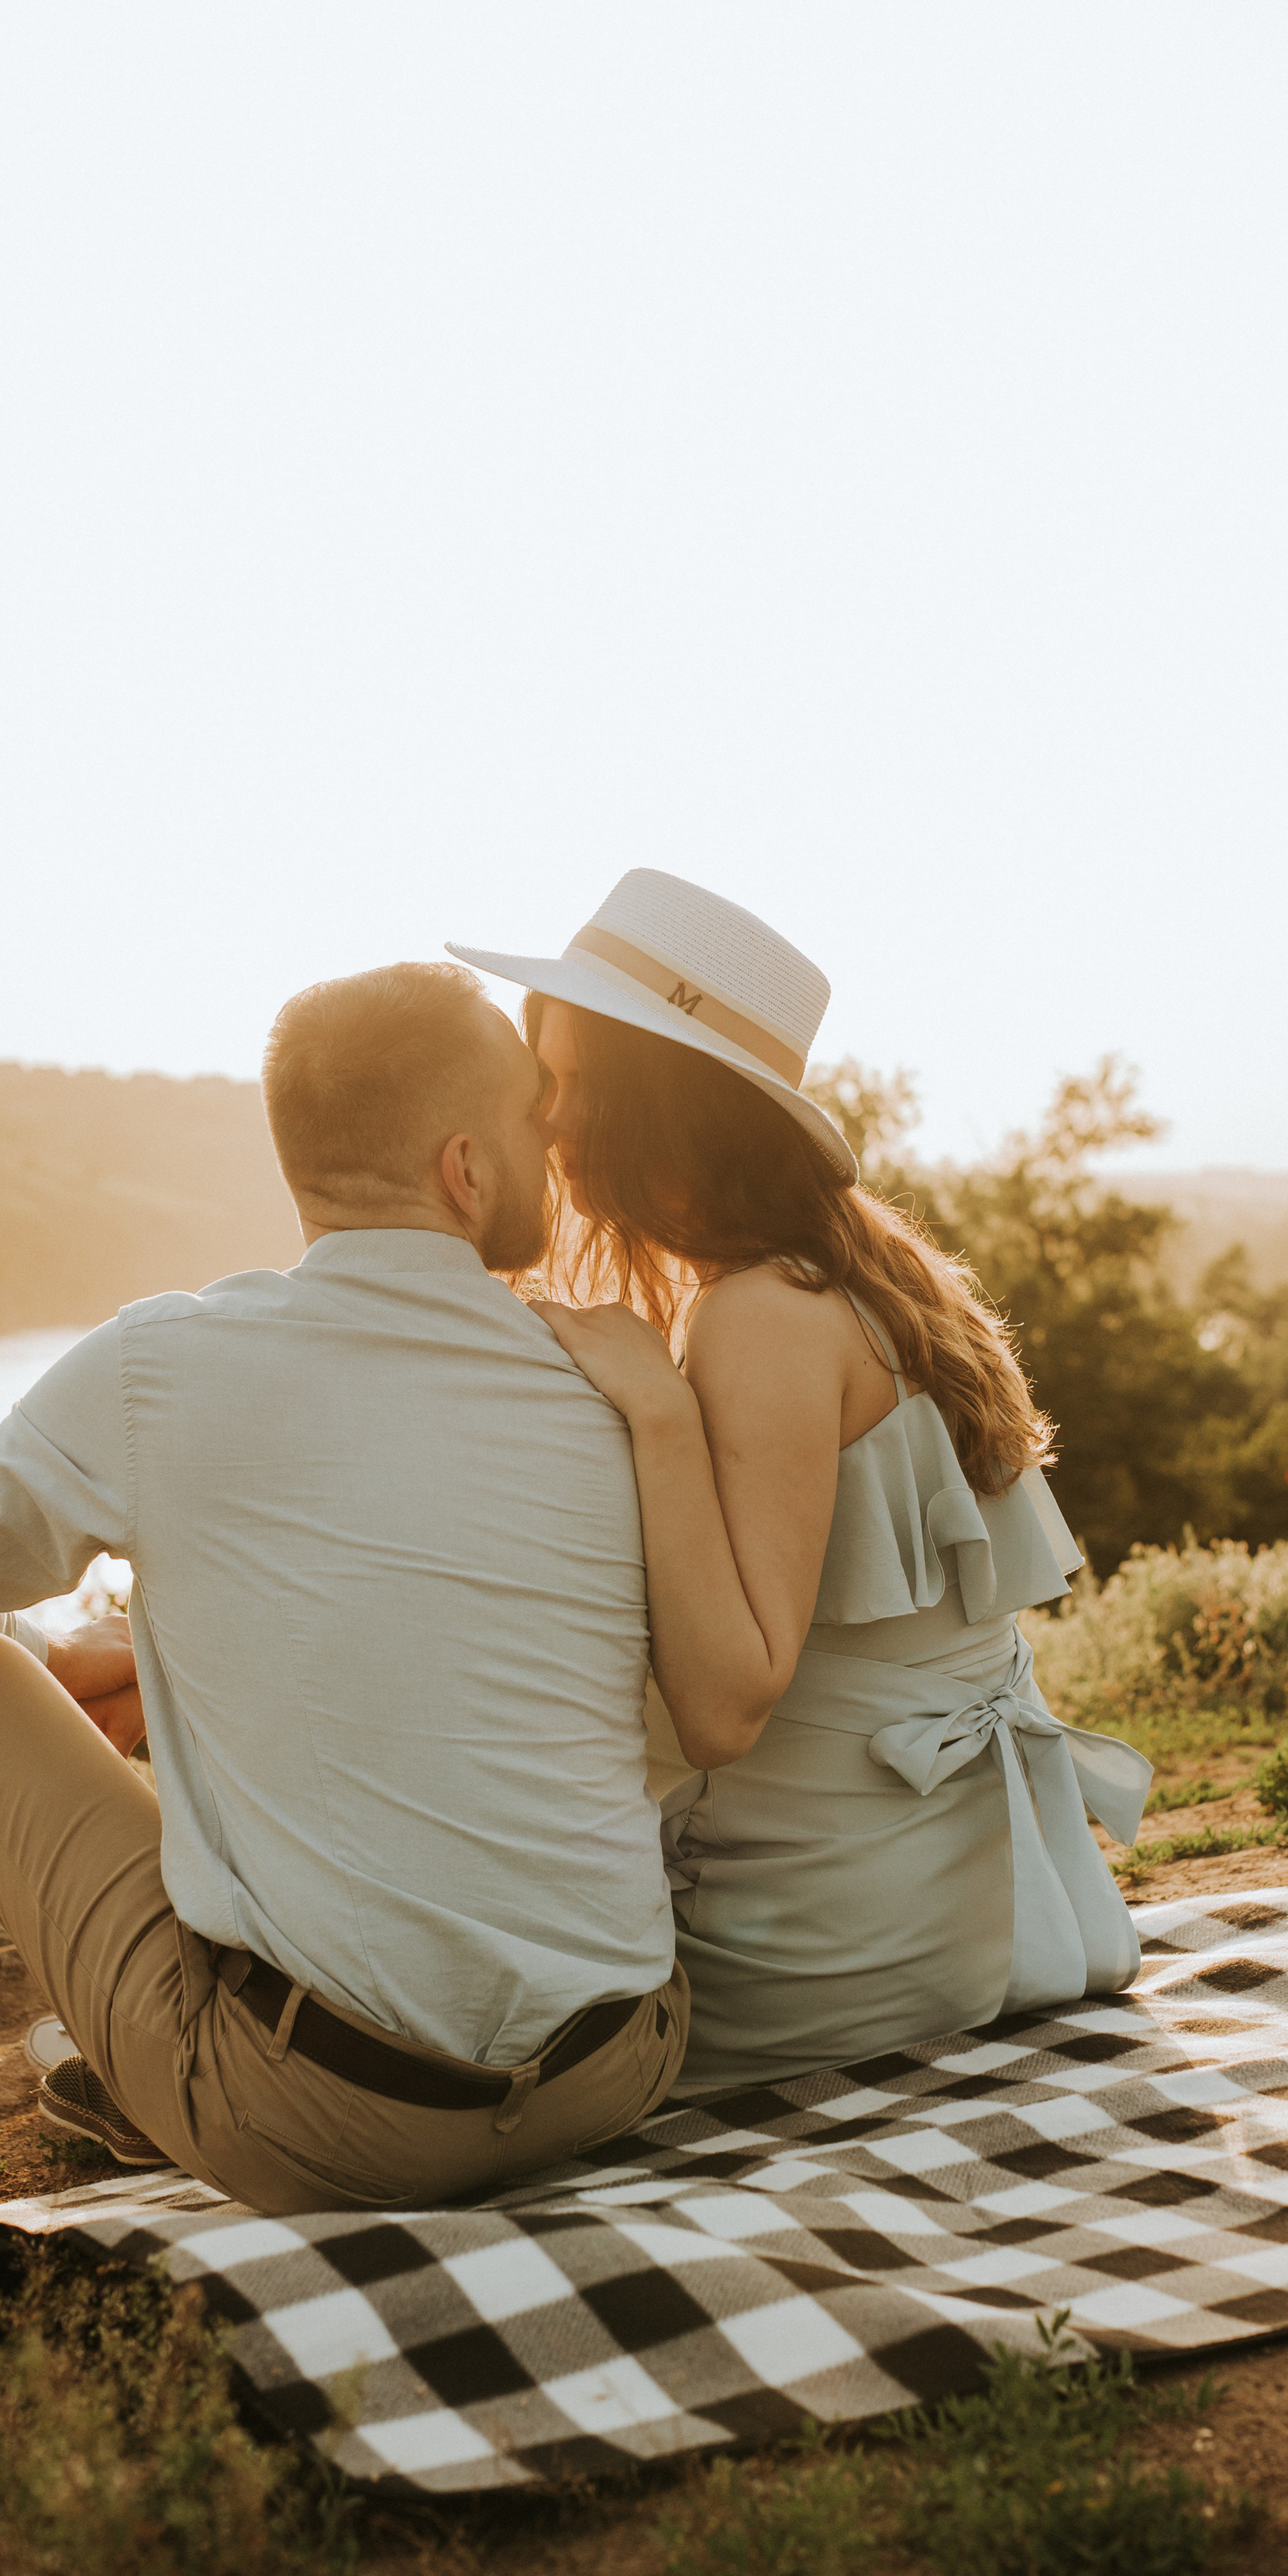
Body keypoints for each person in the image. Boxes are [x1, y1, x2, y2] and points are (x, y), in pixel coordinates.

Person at [0, 963, 687, 2232]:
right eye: (530, 1119)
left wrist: (63, 1638)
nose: (551, 1147)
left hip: (329, 2127)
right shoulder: (607, 1386)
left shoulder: (165, 1371)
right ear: (465, 1168)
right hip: (615, 2071)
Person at [448, 871, 1149, 2097]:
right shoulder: (873, 1271)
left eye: (570, 1082)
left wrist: (656, 1412)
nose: (548, 1121)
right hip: (986, 1895)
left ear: (657, 1100)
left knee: (451, 2038)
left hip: (841, 1950)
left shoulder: (759, 1317)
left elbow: (727, 1713)